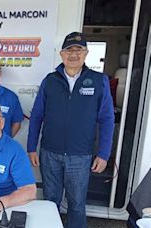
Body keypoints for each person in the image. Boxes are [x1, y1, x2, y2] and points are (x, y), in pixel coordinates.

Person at [27, 32, 115, 228]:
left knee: (76, 204)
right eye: (69, 50)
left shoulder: (99, 81)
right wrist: (31, 147)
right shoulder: (50, 80)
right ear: (61, 54)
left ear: (86, 53)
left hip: (80, 155)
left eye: (79, 50)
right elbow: (37, 116)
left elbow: (107, 119)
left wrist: (104, 154)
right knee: (50, 202)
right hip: (50, 153)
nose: (74, 54)